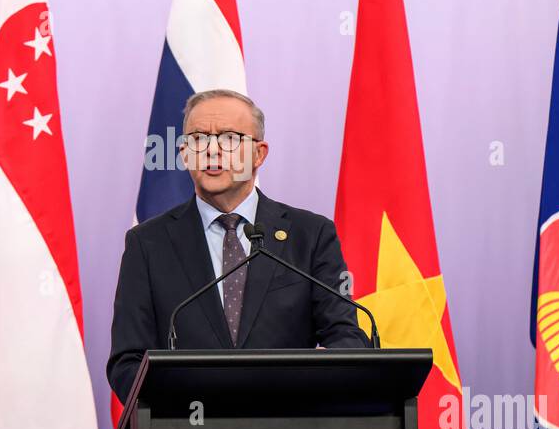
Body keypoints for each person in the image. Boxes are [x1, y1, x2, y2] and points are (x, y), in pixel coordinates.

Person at [107, 89, 369, 401]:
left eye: (229, 138)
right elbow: (127, 363)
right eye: (199, 139)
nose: (212, 150)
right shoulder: (148, 243)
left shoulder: (310, 235)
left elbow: (346, 338)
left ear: (259, 154)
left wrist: (306, 384)